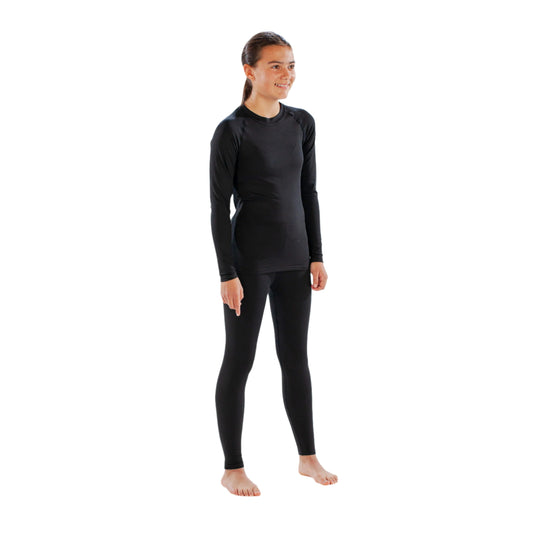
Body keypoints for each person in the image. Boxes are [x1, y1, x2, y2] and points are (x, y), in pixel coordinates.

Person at [210, 31, 338, 497]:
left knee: (295, 358)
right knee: (240, 359)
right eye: (276, 66)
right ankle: (233, 467)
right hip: (249, 264)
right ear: (250, 71)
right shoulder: (232, 130)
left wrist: (316, 255)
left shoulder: (302, 123)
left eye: (291, 65)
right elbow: (217, 207)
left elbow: (308, 192)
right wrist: (227, 274)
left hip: (295, 261)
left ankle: (307, 457)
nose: (287, 75)